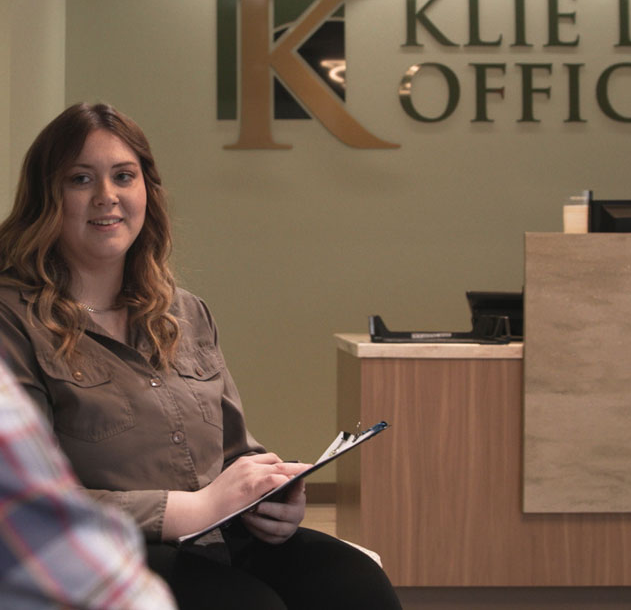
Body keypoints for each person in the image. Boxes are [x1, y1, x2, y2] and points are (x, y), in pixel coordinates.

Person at [0, 102, 402, 610]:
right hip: (104, 548)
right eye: (80, 179)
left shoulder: (183, 312)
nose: (107, 197)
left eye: (124, 176)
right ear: (47, 197)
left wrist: (271, 495)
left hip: (215, 538)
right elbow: (25, 502)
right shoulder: (12, 320)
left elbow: (236, 451)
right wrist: (184, 510)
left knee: (354, 583)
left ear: (147, 189)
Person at [0, 352, 177, 609]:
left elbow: (233, 448)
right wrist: (191, 507)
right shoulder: (14, 326)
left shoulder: (187, 314)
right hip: (138, 556)